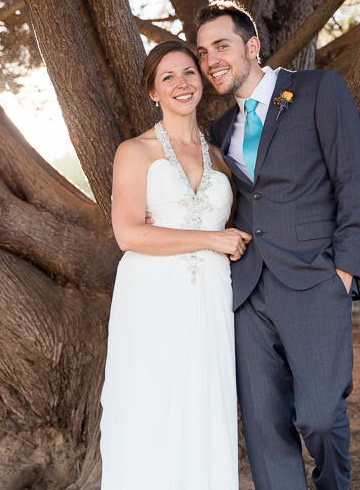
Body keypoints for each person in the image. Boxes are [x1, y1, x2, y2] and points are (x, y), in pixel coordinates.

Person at [198, 0, 360, 490]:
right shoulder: (219, 131)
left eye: (222, 46)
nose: (211, 59)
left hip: (314, 280)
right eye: (203, 51)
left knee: (320, 414)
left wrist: (345, 270)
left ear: (252, 47)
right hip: (247, 290)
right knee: (263, 427)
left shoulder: (318, 90)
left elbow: (354, 181)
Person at [99, 40, 251, 489]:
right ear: (153, 92)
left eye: (189, 72)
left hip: (211, 298)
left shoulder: (222, 158)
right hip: (151, 298)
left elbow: (236, 227)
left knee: (206, 407)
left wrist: (229, 243)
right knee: (151, 406)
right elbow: (129, 235)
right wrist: (212, 239)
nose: (182, 84)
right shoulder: (135, 151)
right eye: (168, 77)